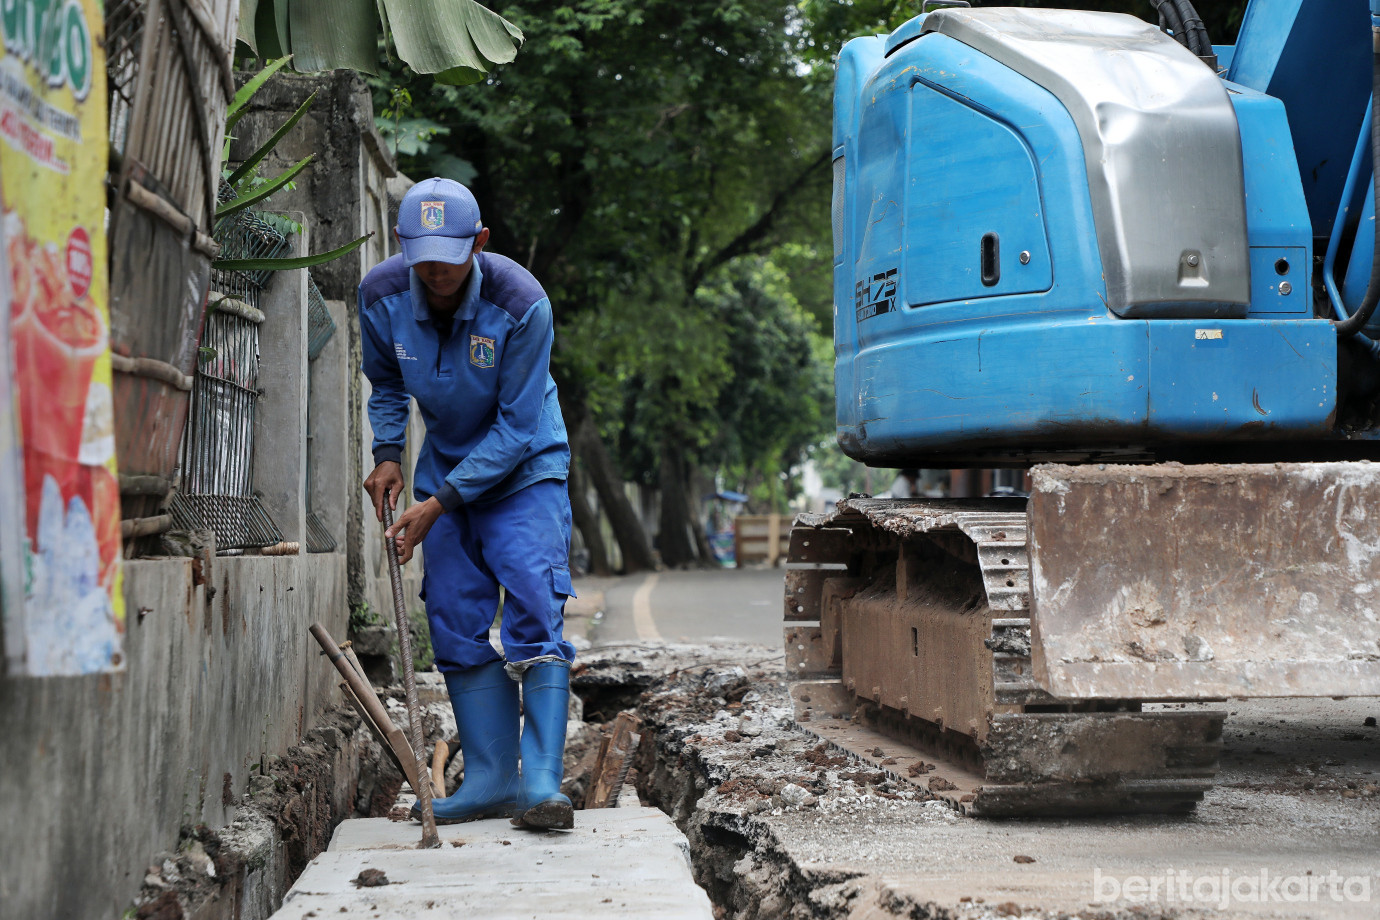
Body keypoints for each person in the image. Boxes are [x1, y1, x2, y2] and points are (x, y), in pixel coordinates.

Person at [358, 177, 577, 830]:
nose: (435, 271)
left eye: (449, 258)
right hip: (446, 468)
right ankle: (489, 778)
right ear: (402, 248)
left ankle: (540, 782)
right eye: (422, 257)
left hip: (526, 466)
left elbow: (515, 427)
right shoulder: (381, 294)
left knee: (535, 604)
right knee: (451, 615)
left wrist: (438, 506)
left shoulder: (522, 303)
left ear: (478, 244)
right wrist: (388, 452)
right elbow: (388, 382)